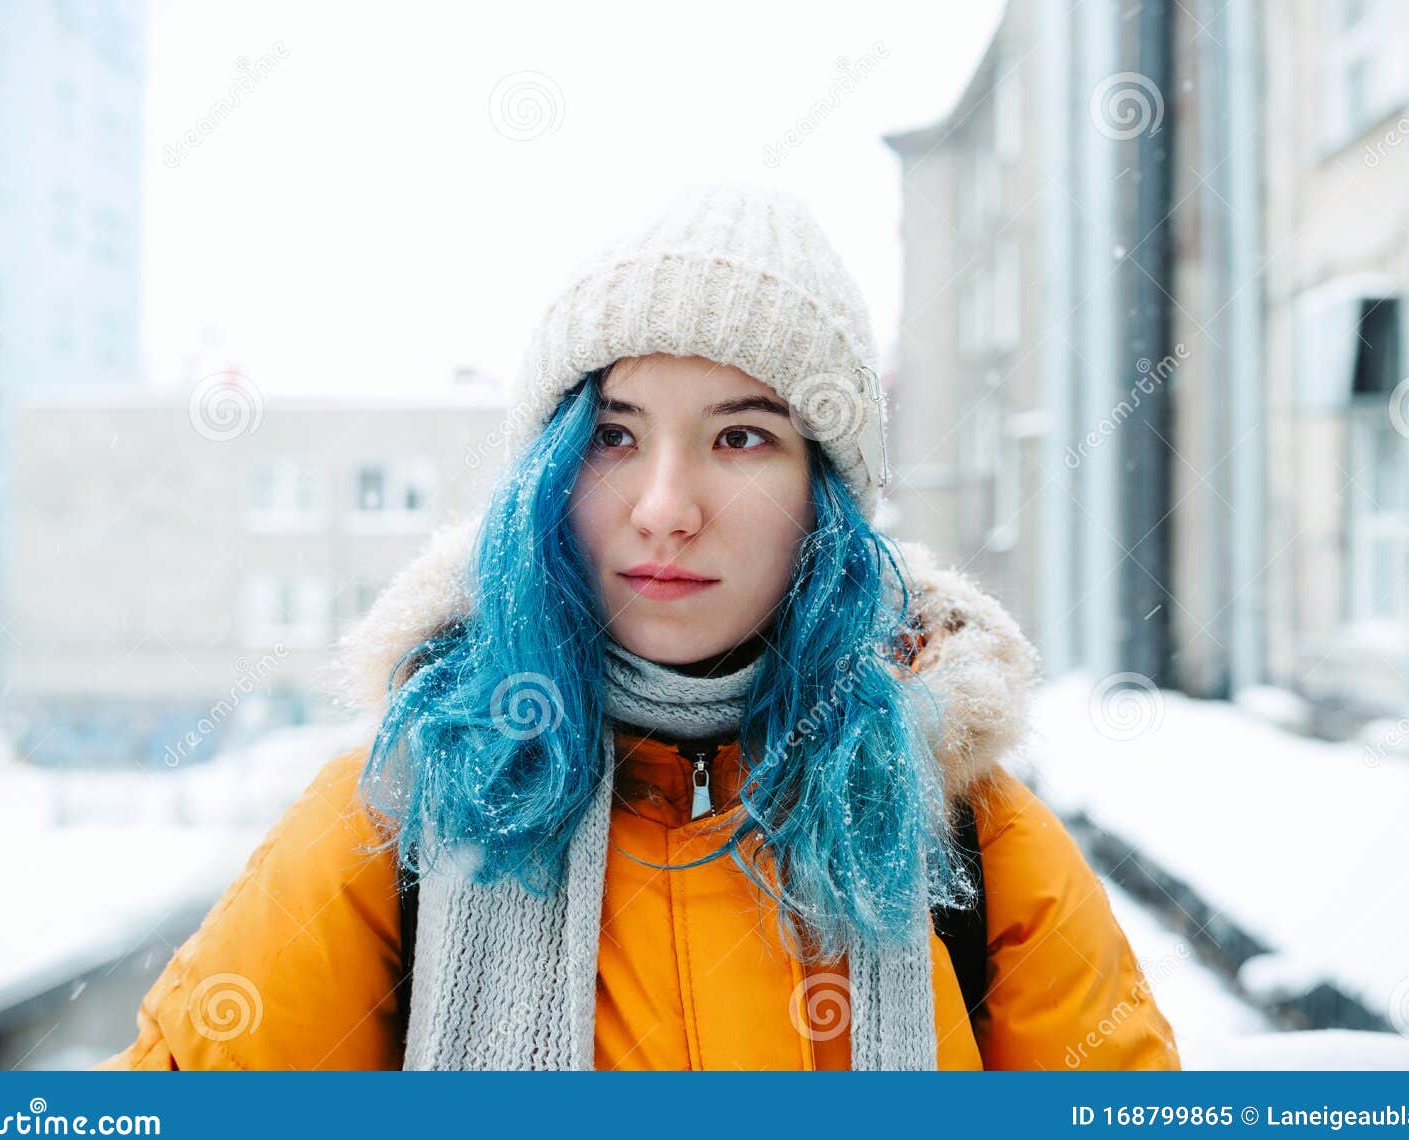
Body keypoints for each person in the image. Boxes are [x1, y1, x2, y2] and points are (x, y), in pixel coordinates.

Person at [99, 183, 1179, 1071]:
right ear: (550, 480)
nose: (666, 504)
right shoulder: (394, 819)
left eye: (742, 438)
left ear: (825, 498)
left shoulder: (966, 844)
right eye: (614, 436)